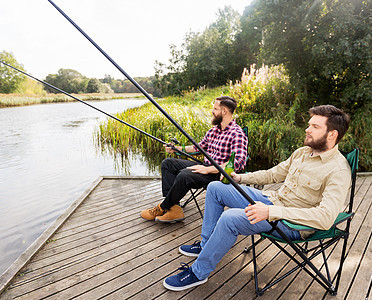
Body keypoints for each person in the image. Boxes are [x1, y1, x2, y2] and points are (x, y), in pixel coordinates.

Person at [163, 104, 352, 291]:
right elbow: (272, 175)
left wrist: (270, 211)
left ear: (332, 134)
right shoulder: (303, 153)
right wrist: (240, 178)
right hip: (272, 201)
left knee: (230, 219)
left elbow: (326, 218)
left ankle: (198, 273)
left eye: (315, 127)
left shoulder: (338, 170)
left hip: (292, 223)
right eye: (309, 124)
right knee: (215, 188)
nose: (307, 129)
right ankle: (205, 246)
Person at [140, 96, 248, 223]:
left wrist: (209, 170)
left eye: (215, 108)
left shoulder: (237, 133)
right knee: (168, 164)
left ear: (224, 111)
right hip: (205, 166)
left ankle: (163, 207)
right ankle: (174, 209)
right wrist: (176, 148)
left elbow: (238, 163)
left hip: (218, 175)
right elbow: (199, 147)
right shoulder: (214, 130)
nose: (212, 111)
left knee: (185, 175)